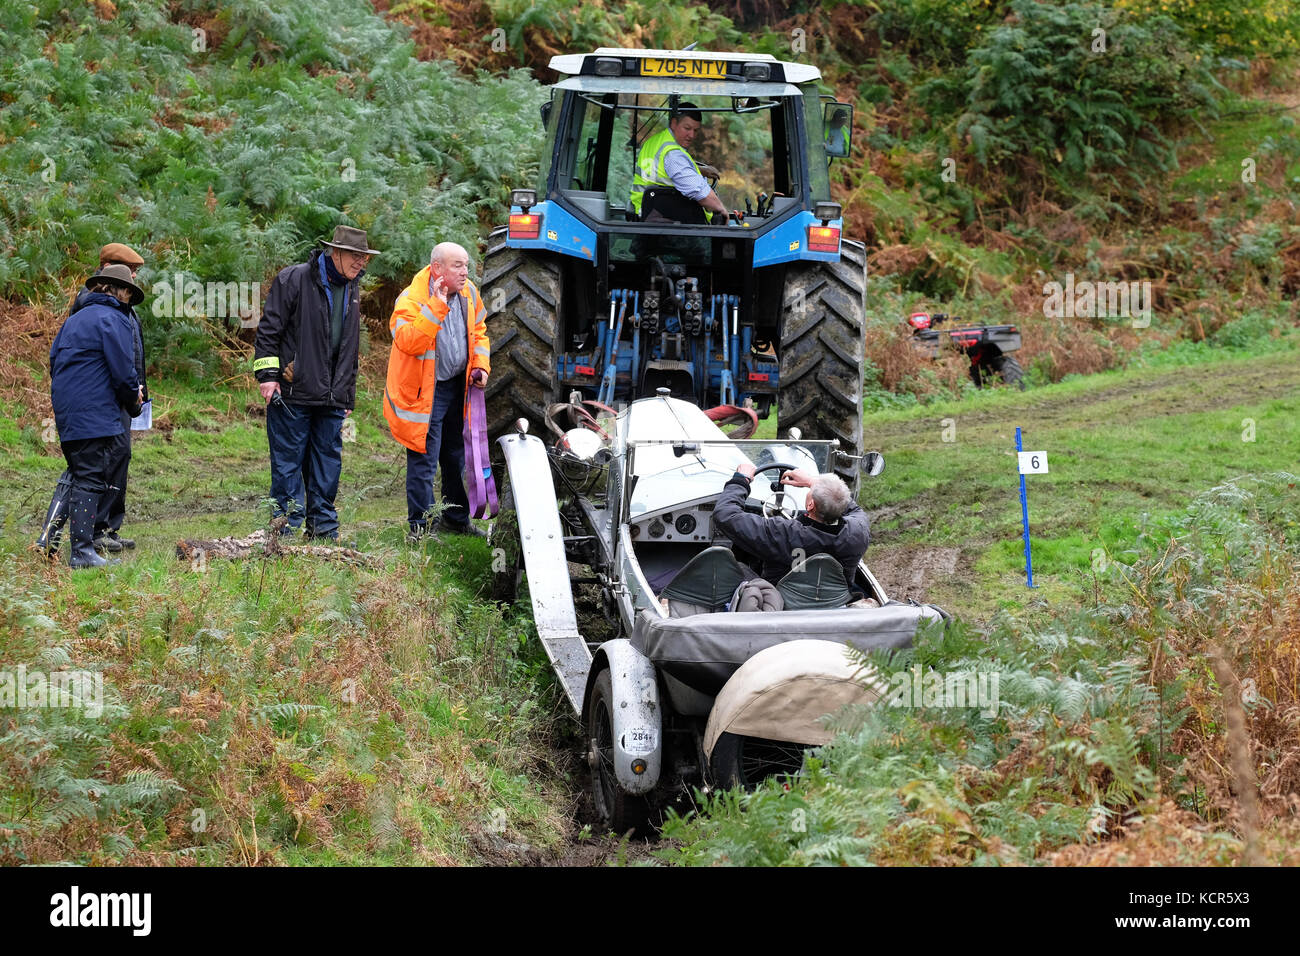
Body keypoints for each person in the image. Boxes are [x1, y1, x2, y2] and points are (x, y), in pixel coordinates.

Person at [253, 225, 377, 540]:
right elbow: (269, 330)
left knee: (327, 465)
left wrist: (347, 395)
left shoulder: (352, 286)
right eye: (355, 255)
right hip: (293, 393)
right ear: (334, 252)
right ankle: (285, 531)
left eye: (364, 257)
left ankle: (323, 530)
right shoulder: (293, 279)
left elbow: (349, 345)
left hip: (332, 398)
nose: (360, 262)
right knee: (288, 465)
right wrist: (268, 377)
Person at [37, 242, 148, 558]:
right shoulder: (111, 318)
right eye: (128, 288)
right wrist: (133, 401)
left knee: (79, 472)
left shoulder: (78, 318)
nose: (128, 297)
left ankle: (49, 540)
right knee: (88, 477)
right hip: (98, 408)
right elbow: (122, 369)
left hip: (71, 409)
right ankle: (83, 550)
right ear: (119, 289)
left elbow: (54, 359)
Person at [382, 242, 490, 540]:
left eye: (466, 265)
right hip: (426, 393)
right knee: (424, 460)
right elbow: (410, 342)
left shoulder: (469, 294)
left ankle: (456, 518)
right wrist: (436, 306)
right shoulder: (412, 299)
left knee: (456, 457)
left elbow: (479, 332)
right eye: (457, 265)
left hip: (459, 387)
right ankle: (421, 528)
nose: (465, 272)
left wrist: (480, 366)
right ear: (437, 268)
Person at [712, 463, 870, 587]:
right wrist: (812, 482)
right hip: (833, 602)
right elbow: (848, 504)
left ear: (810, 506)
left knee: (734, 567)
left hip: (783, 605)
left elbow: (726, 514)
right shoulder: (857, 532)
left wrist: (741, 479)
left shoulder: (782, 533)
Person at [629, 103, 731, 225]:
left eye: (696, 130)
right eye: (687, 128)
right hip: (662, 221)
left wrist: (700, 170)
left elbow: (663, 169)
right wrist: (721, 209)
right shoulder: (673, 154)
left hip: (644, 212)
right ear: (673, 123)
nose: (692, 135)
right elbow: (698, 191)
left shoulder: (655, 142)